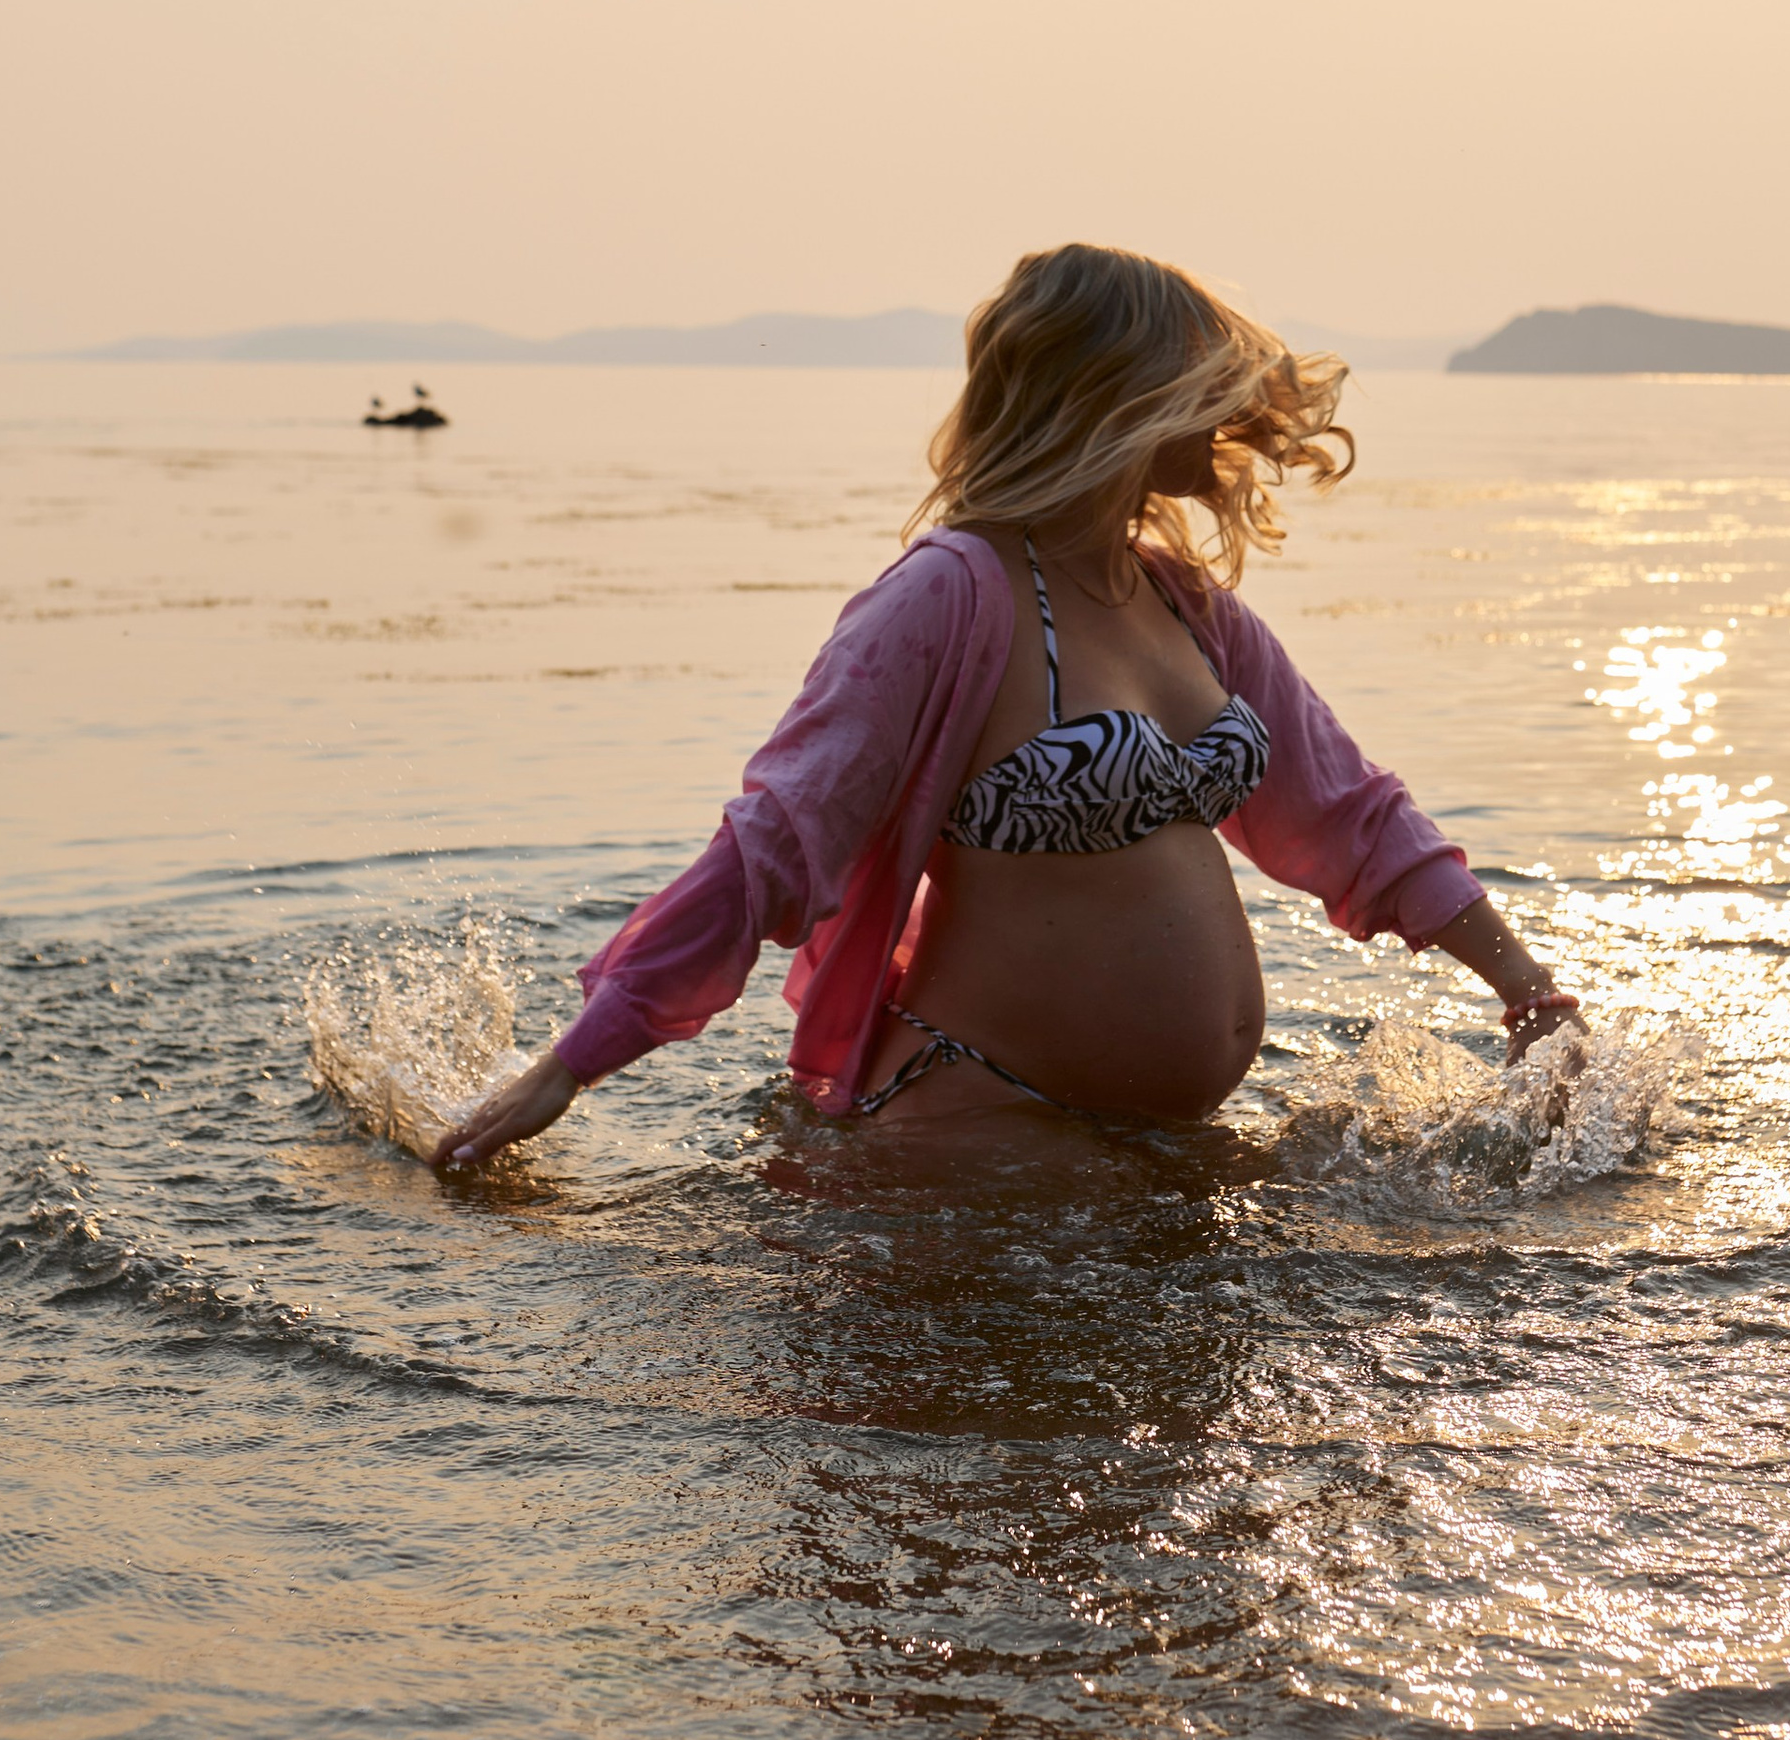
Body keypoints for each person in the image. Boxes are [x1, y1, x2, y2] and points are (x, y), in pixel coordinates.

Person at [435, 245, 1579, 1170]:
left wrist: (1527, 993)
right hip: (979, 1132)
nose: (1230, 414)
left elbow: (1349, 815)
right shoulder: (948, 596)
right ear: (1114, 396)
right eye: (1201, 385)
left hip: (1161, 1152)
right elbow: (778, 842)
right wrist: (569, 1066)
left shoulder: (1185, 605)